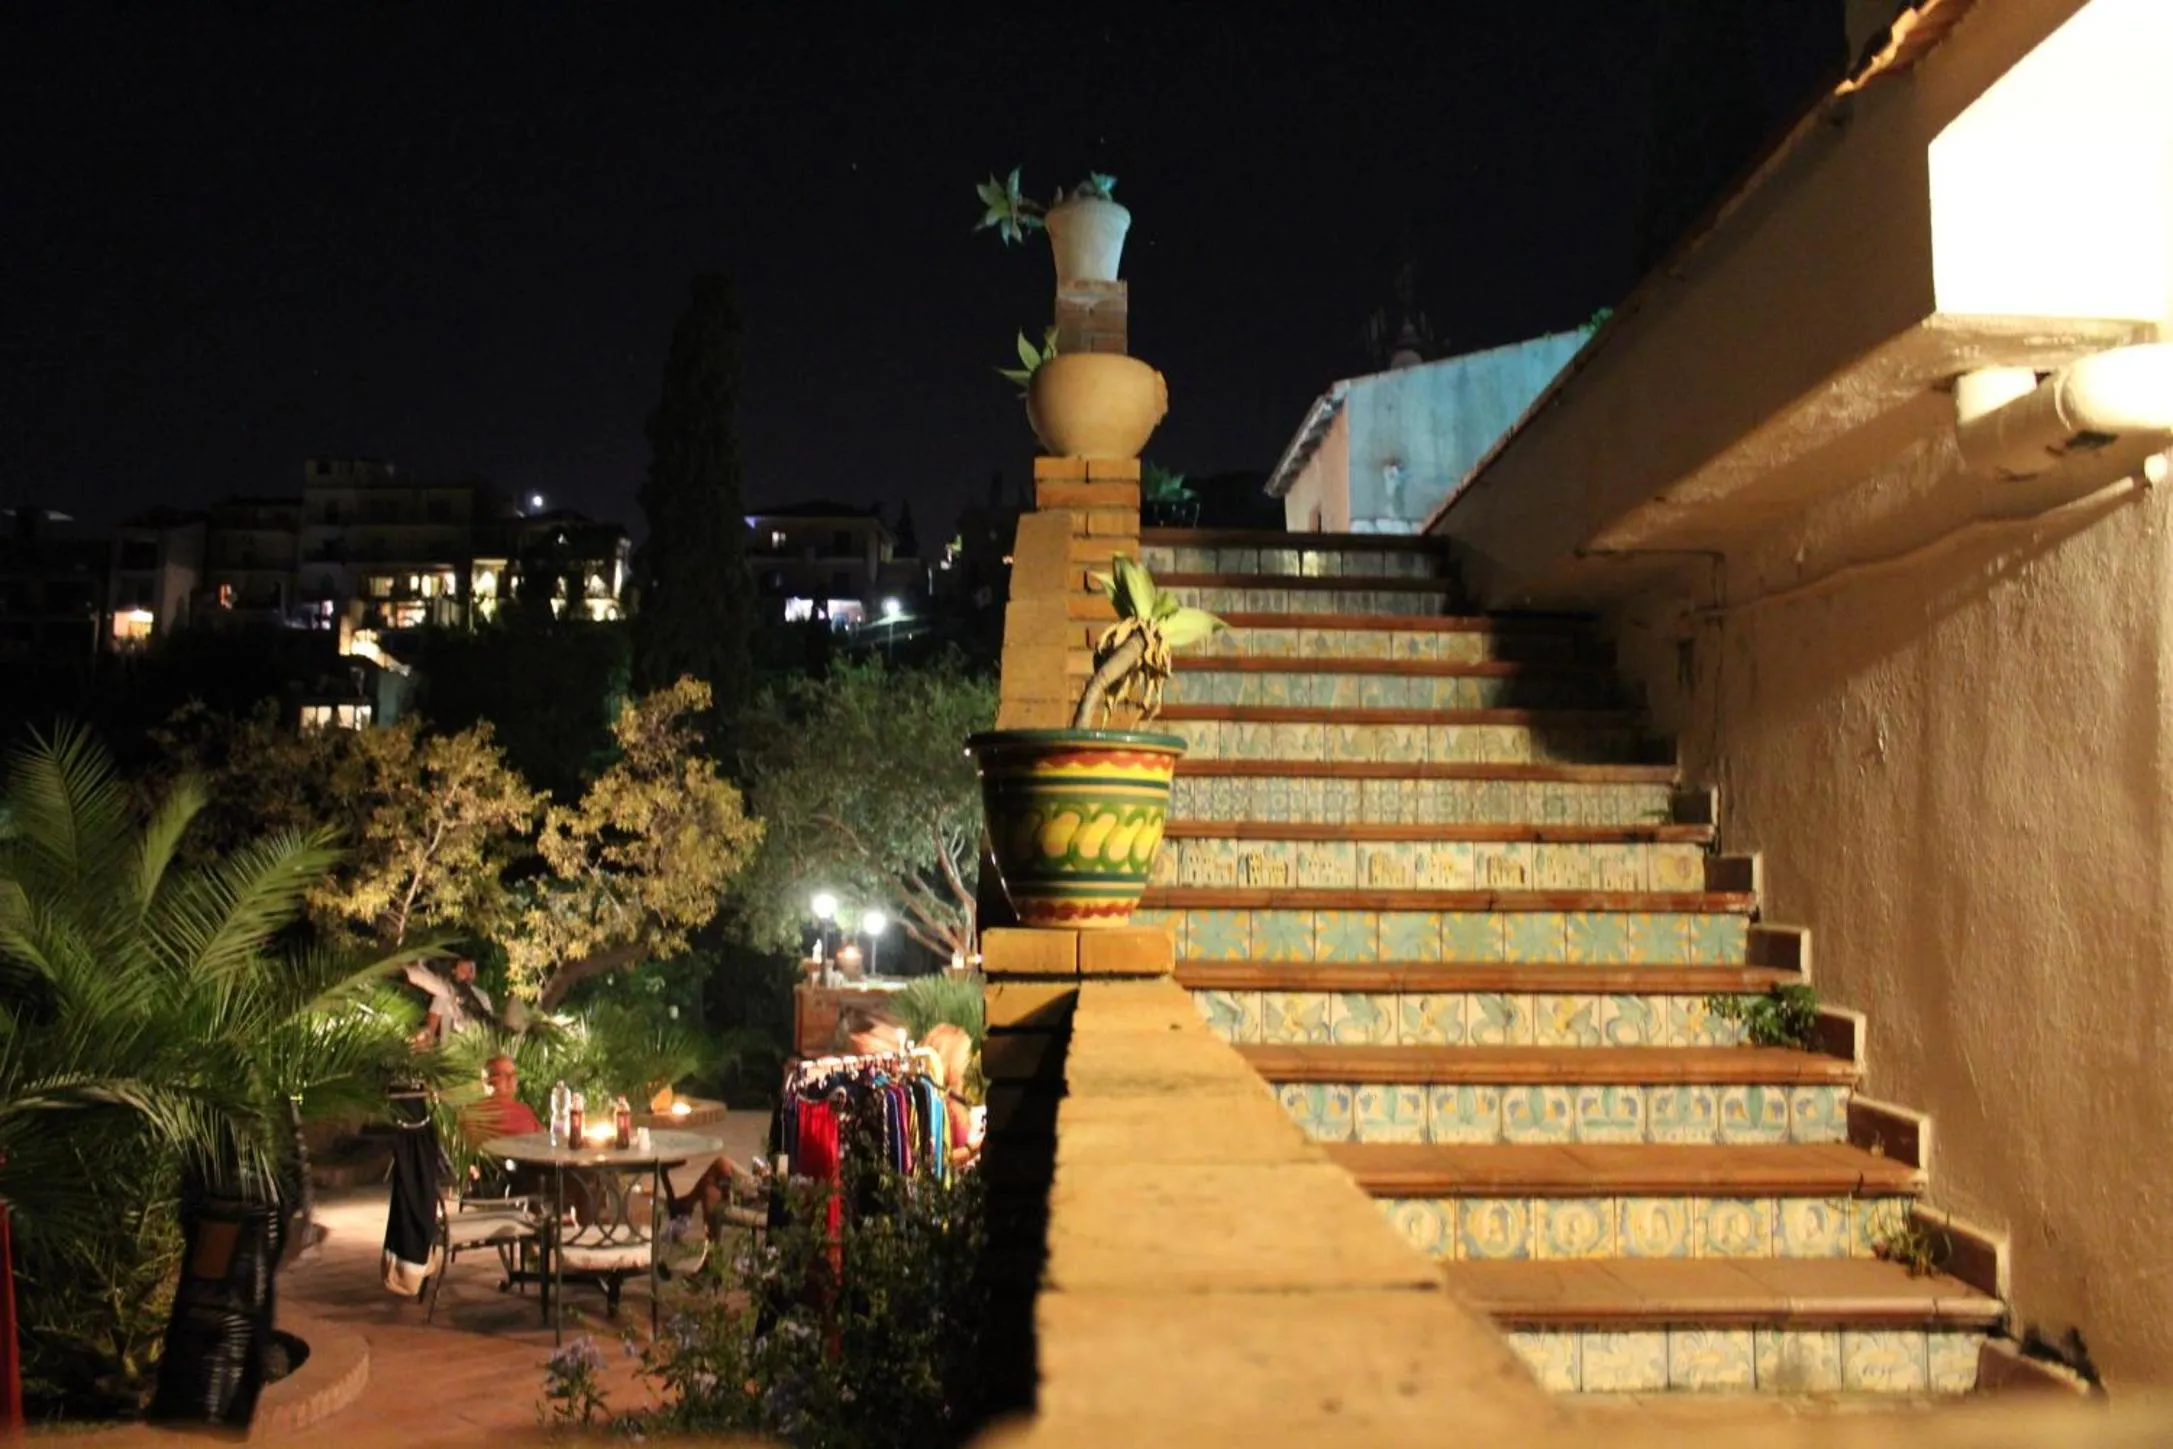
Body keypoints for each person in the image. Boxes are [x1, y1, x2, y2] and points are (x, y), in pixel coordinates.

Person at [403, 956, 497, 1048]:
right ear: (455, 970)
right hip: (448, 1050)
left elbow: (487, 1024)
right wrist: (429, 1038)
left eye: (471, 970)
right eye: (463, 970)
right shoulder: (444, 992)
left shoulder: (482, 996)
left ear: (474, 974)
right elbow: (434, 1017)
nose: (467, 974)